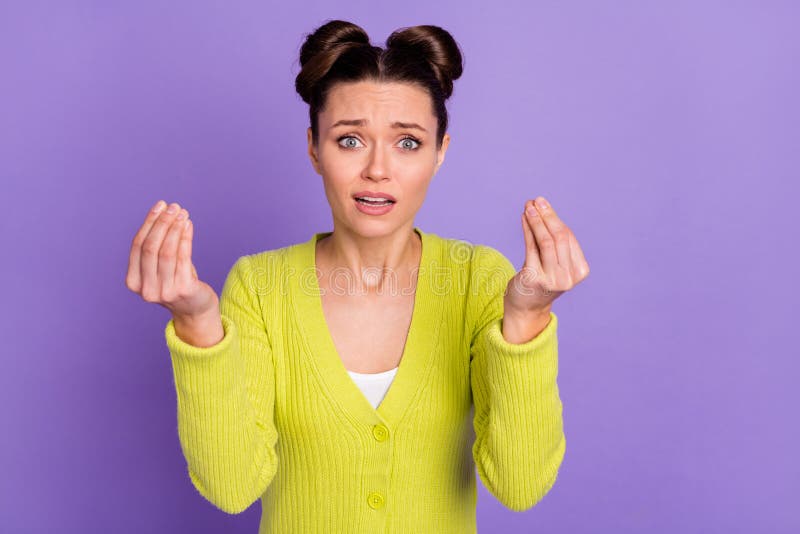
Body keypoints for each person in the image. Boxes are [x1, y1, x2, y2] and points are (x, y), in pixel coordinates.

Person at [125, 19, 589, 533]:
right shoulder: (260, 286)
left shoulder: (479, 281)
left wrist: (528, 320)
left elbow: (520, 486)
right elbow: (231, 488)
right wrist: (198, 328)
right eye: (350, 140)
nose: (377, 169)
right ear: (313, 149)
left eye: (407, 143)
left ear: (441, 153)